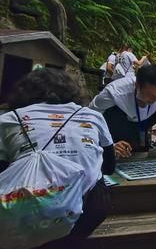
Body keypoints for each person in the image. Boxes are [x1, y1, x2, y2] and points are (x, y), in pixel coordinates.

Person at [0, 68, 115, 247]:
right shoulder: (92, 116)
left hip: (25, 208)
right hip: (89, 208)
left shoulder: (8, 120)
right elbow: (109, 167)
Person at [89, 64, 156, 159]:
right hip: (122, 122)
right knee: (129, 149)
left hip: (144, 122)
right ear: (137, 85)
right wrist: (108, 145)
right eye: (150, 95)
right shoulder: (113, 93)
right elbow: (87, 121)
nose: (154, 100)